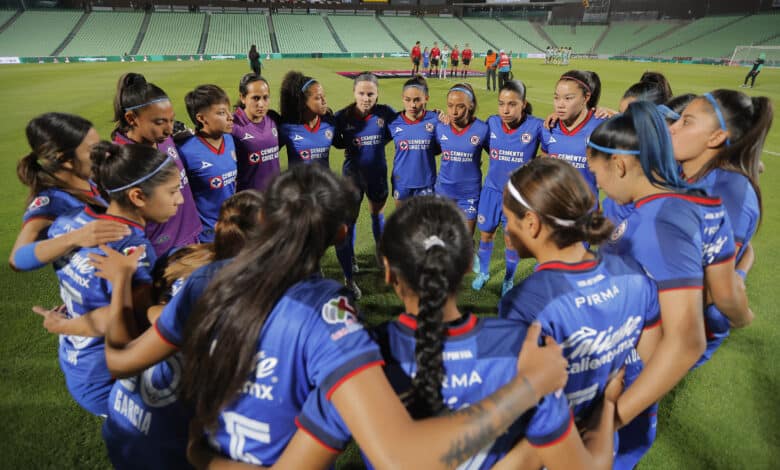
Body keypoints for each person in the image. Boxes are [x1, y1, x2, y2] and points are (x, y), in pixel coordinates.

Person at [179, 164, 570, 468]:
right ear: (467, 264)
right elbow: (565, 455)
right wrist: (530, 389)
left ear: (387, 271)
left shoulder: (358, 351)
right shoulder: (529, 348)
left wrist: (203, 457)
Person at [589, 101, 752, 468]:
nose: (596, 183)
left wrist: (609, 420)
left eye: (595, 171)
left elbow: (686, 341)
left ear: (619, 165)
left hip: (625, 379)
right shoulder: (700, 203)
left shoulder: (656, 224)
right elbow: (718, 282)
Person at [498, 158, 662, 464]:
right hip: (605, 441)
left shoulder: (527, 303)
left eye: (509, 219)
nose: (506, 229)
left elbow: (522, 407)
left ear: (532, 224)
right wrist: (608, 409)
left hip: (556, 451)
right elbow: (654, 362)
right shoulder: (632, 274)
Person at [90, 191, 263, 470]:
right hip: (171, 438)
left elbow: (132, 325)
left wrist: (136, 294)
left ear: (219, 226)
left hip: (125, 415)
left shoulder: (181, 256)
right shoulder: (243, 293)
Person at [46, 141, 183, 416]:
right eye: (172, 191)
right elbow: (135, 330)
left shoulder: (68, 223)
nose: (179, 199)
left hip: (76, 363)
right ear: (137, 197)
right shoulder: (131, 249)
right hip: (110, 380)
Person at [671, 89, 770, 365]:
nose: (673, 128)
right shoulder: (685, 169)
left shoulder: (730, 195)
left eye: (686, 122)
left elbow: (711, 289)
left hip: (684, 323)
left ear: (716, 138)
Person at [10, 113, 129, 272]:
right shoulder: (53, 201)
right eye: (93, 150)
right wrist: (75, 238)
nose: (103, 154)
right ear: (66, 160)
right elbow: (17, 259)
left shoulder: (91, 180)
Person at [111, 72, 202, 256]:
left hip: (190, 236)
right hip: (160, 252)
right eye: (160, 122)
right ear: (131, 119)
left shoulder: (163, 138)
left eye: (171, 119)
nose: (169, 129)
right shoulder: (121, 160)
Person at [474, 80, 543, 295]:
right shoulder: (492, 123)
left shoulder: (537, 126)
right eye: (501, 103)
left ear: (524, 104)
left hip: (517, 197)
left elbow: (554, 146)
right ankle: (483, 272)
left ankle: (508, 279)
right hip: (491, 192)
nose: (505, 109)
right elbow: (480, 142)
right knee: (485, 235)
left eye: (512, 104)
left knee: (511, 241)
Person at [333, 72, 396, 297]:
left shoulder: (386, 113)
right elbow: (336, 142)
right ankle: (350, 262)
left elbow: (399, 129)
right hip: (352, 177)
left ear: (377, 94)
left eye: (370, 93)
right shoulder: (342, 117)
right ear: (354, 93)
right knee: (349, 220)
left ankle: (380, 253)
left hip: (377, 173)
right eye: (361, 93)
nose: (366, 98)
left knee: (376, 213)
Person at [177, 85, 237, 243]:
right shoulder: (185, 151)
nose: (231, 117)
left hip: (232, 229)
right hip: (206, 237)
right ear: (202, 118)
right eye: (222, 113)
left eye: (228, 111)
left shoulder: (230, 140)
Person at [540, 70, 604, 200]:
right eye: (556, 97)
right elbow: (545, 168)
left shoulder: (602, 126)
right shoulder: (549, 127)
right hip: (552, 210)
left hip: (586, 214)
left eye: (568, 98)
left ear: (586, 98)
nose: (560, 104)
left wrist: (613, 113)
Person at [435, 83, 487, 235]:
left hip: (469, 194)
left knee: (464, 242)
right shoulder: (440, 127)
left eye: (460, 106)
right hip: (443, 191)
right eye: (450, 106)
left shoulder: (483, 129)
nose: (454, 112)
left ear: (470, 106)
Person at [388, 75, 440, 205]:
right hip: (401, 182)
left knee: (426, 223)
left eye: (417, 100)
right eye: (408, 99)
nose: (413, 105)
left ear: (426, 99)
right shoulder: (393, 122)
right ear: (403, 99)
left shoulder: (436, 119)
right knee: (403, 222)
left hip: (426, 183)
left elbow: (442, 147)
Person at [232, 73, 281, 193]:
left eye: (265, 97)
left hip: (274, 197)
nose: (261, 104)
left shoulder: (272, 119)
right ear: (243, 98)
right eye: (255, 98)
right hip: (249, 201)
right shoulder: (233, 126)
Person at [278, 71, 335, 167]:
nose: (324, 101)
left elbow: (342, 142)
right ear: (303, 102)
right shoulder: (287, 128)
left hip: (324, 182)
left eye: (324, 96)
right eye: (318, 98)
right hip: (297, 182)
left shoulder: (330, 122)